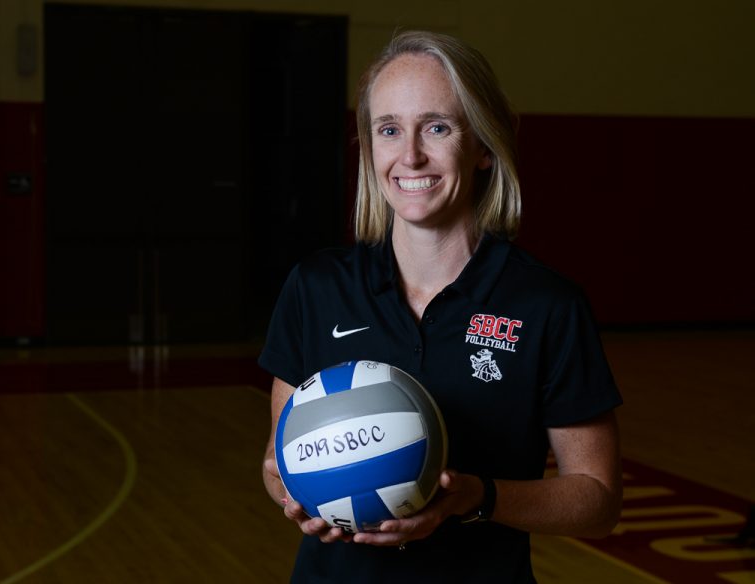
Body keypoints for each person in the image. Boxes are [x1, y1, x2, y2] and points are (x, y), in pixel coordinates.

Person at [259, 29, 623, 583]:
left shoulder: (547, 305)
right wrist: (296, 491)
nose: (410, 156)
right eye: (389, 130)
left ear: (481, 146)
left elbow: (597, 501)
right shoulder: (317, 287)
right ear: (369, 146)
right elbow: (277, 460)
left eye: (437, 126)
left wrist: (478, 498)